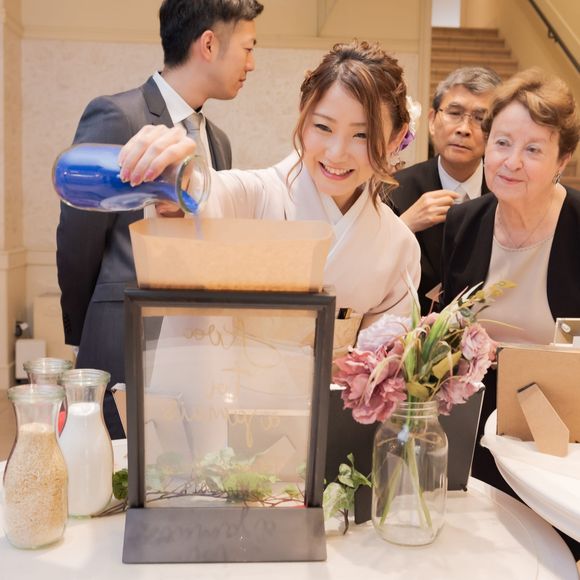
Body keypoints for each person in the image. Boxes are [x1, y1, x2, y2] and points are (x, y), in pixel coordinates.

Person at [56, 0, 264, 439]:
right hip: (125, 341)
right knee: (118, 469)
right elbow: (78, 239)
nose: (252, 64)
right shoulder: (118, 116)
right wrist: (83, 332)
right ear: (209, 44)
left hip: (199, 352)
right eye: (248, 48)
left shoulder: (218, 142)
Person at [119, 40, 421, 330]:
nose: (336, 153)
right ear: (302, 114)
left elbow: (381, 361)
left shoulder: (399, 247)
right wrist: (175, 178)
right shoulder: (257, 196)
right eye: (322, 127)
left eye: (362, 135)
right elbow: (204, 195)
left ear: (396, 137)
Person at [441, 69, 580, 509]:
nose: (512, 161)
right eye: (502, 143)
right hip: (474, 424)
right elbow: (450, 331)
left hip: (564, 439)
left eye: (533, 149)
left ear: (562, 160)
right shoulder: (464, 222)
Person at [390, 67, 501, 314]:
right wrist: (404, 225)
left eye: (480, 118)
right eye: (454, 113)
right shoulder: (394, 190)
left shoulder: (506, 195)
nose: (464, 128)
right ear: (432, 121)